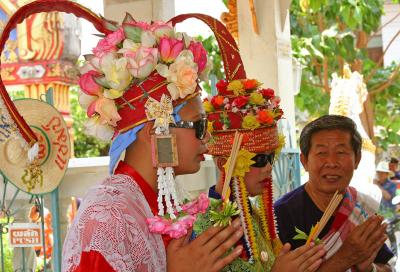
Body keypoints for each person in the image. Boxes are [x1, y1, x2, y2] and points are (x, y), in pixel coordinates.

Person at [59, 7, 245, 272]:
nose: (208, 139)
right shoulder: (106, 218)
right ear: (157, 131)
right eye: (199, 125)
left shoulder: (159, 203)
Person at [194, 76, 325, 271]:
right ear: (223, 164)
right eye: (260, 160)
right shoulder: (207, 222)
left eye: (271, 158)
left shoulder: (252, 213)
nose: (268, 168)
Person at [274, 115, 393, 272]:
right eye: (322, 153)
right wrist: (344, 258)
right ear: (304, 161)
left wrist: (369, 268)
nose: (331, 162)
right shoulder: (280, 215)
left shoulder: (361, 208)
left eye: (341, 152)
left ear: (357, 159)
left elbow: (386, 267)